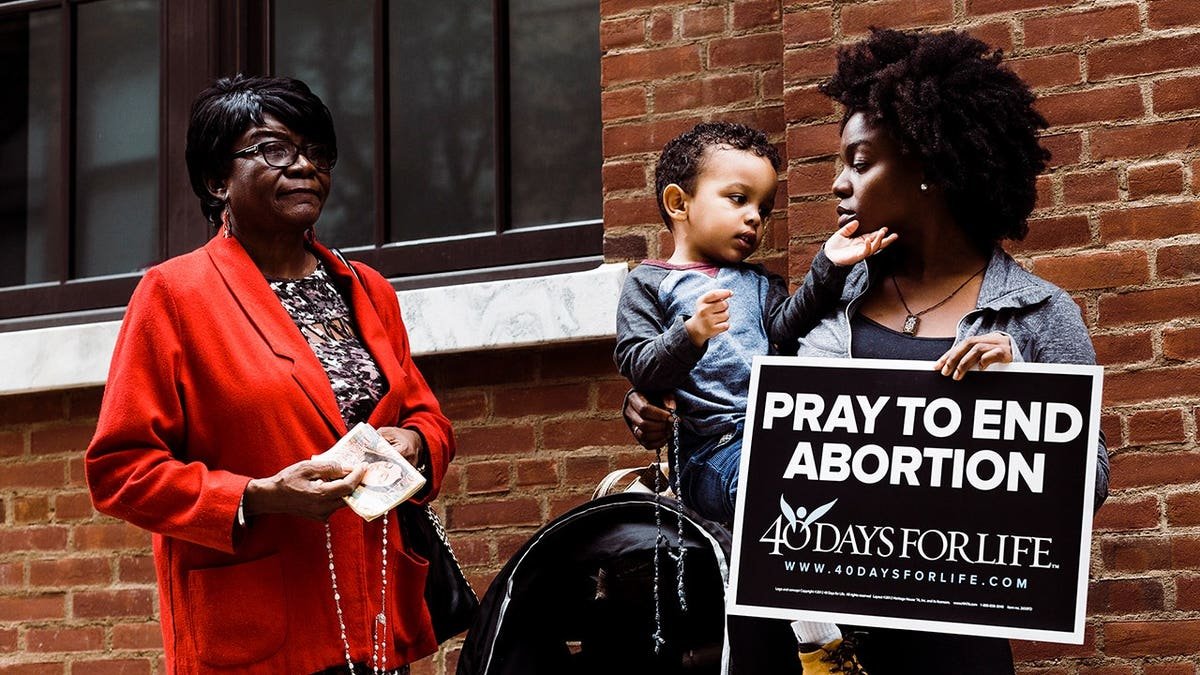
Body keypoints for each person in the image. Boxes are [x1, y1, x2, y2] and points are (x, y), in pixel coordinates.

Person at [624, 28, 1111, 675]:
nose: (837, 185)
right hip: (790, 635)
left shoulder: (1038, 313)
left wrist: (1025, 393)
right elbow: (743, 398)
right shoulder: (829, 298)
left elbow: (1091, 486)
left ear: (929, 166)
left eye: (859, 161)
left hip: (945, 642)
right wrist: (653, 400)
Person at [85, 75, 455, 674]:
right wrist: (257, 496)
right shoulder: (174, 295)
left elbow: (424, 416)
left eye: (316, 151)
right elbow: (119, 471)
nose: (304, 166)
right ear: (216, 181)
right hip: (258, 633)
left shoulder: (366, 289)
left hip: (377, 618)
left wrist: (413, 441)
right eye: (275, 150)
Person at [614, 121, 894, 674]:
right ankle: (821, 640)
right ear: (679, 203)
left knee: (816, 495)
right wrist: (689, 334)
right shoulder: (648, 285)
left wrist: (828, 266)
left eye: (762, 208)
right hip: (709, 450)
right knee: (774, 493)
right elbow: (637, 363)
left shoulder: (759, 284)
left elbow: (787, 330)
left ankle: (838, 616)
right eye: (738, 199)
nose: (754, 219)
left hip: (771, 431)